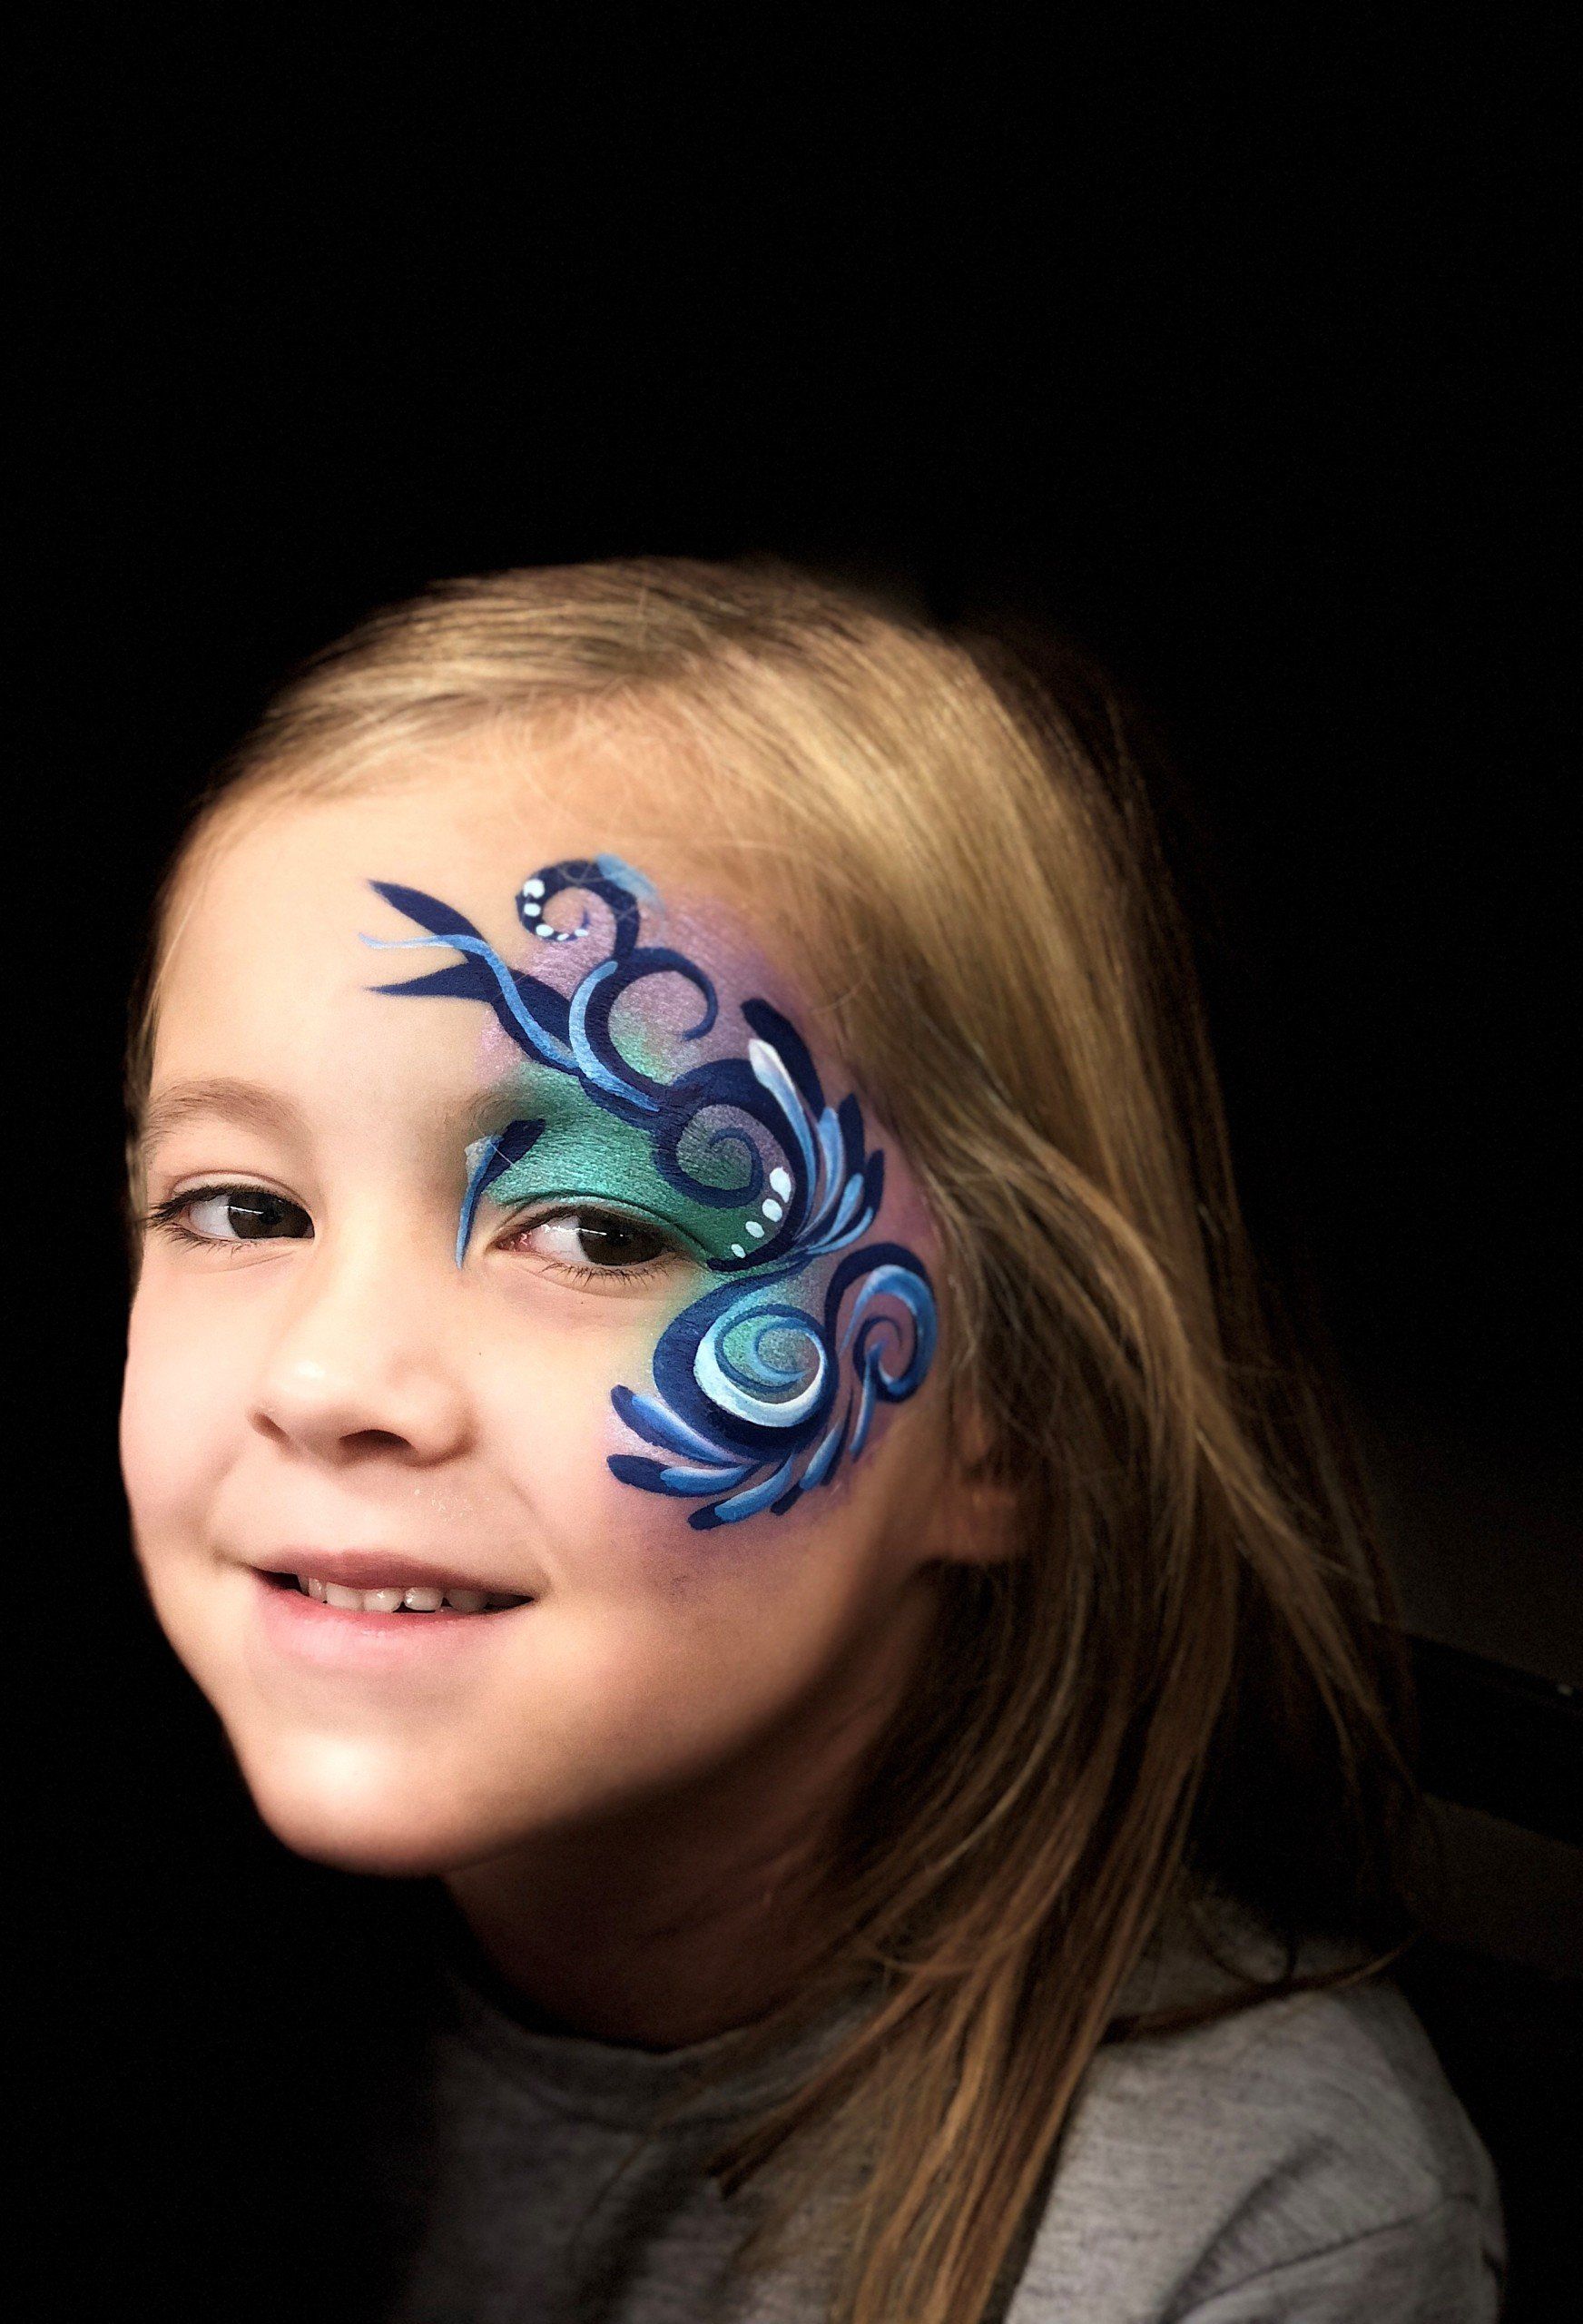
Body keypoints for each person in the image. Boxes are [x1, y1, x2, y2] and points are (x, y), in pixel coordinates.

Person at [117, 556, 1505, 2322]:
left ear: (1010, 1419)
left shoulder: (1255, 2221)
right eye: (239, 1206)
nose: (326, 1375)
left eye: (606, 1229)